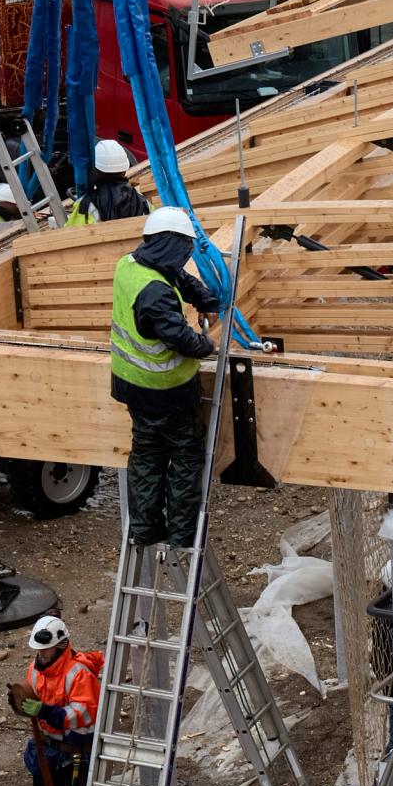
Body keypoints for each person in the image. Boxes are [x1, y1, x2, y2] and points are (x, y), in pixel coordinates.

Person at [109, 207, 220, 549]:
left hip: (132, 385)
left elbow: (177, 277)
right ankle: (182, 535)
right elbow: (180, 338)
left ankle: (144, 529)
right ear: (173, 246)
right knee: (186, 457)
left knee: (146, 454)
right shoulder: (155, 294)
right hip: (167, 391)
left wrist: (204, 297)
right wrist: (207, 344)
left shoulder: (130, 265)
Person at [6, 615, 111, 786]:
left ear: (61, 645)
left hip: (75, 754)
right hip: (47, 750)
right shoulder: (35, 668)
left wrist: (46, 711)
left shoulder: (78, 673)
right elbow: (33, 697)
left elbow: (85, 713)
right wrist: (24, 706)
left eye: (46, 649)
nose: (41, 654)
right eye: (38, 650)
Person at [68, 138, 149, 228]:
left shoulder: (86, 205)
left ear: (95, 171)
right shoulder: (141, 200)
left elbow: (69, 234)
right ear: (124, 170)